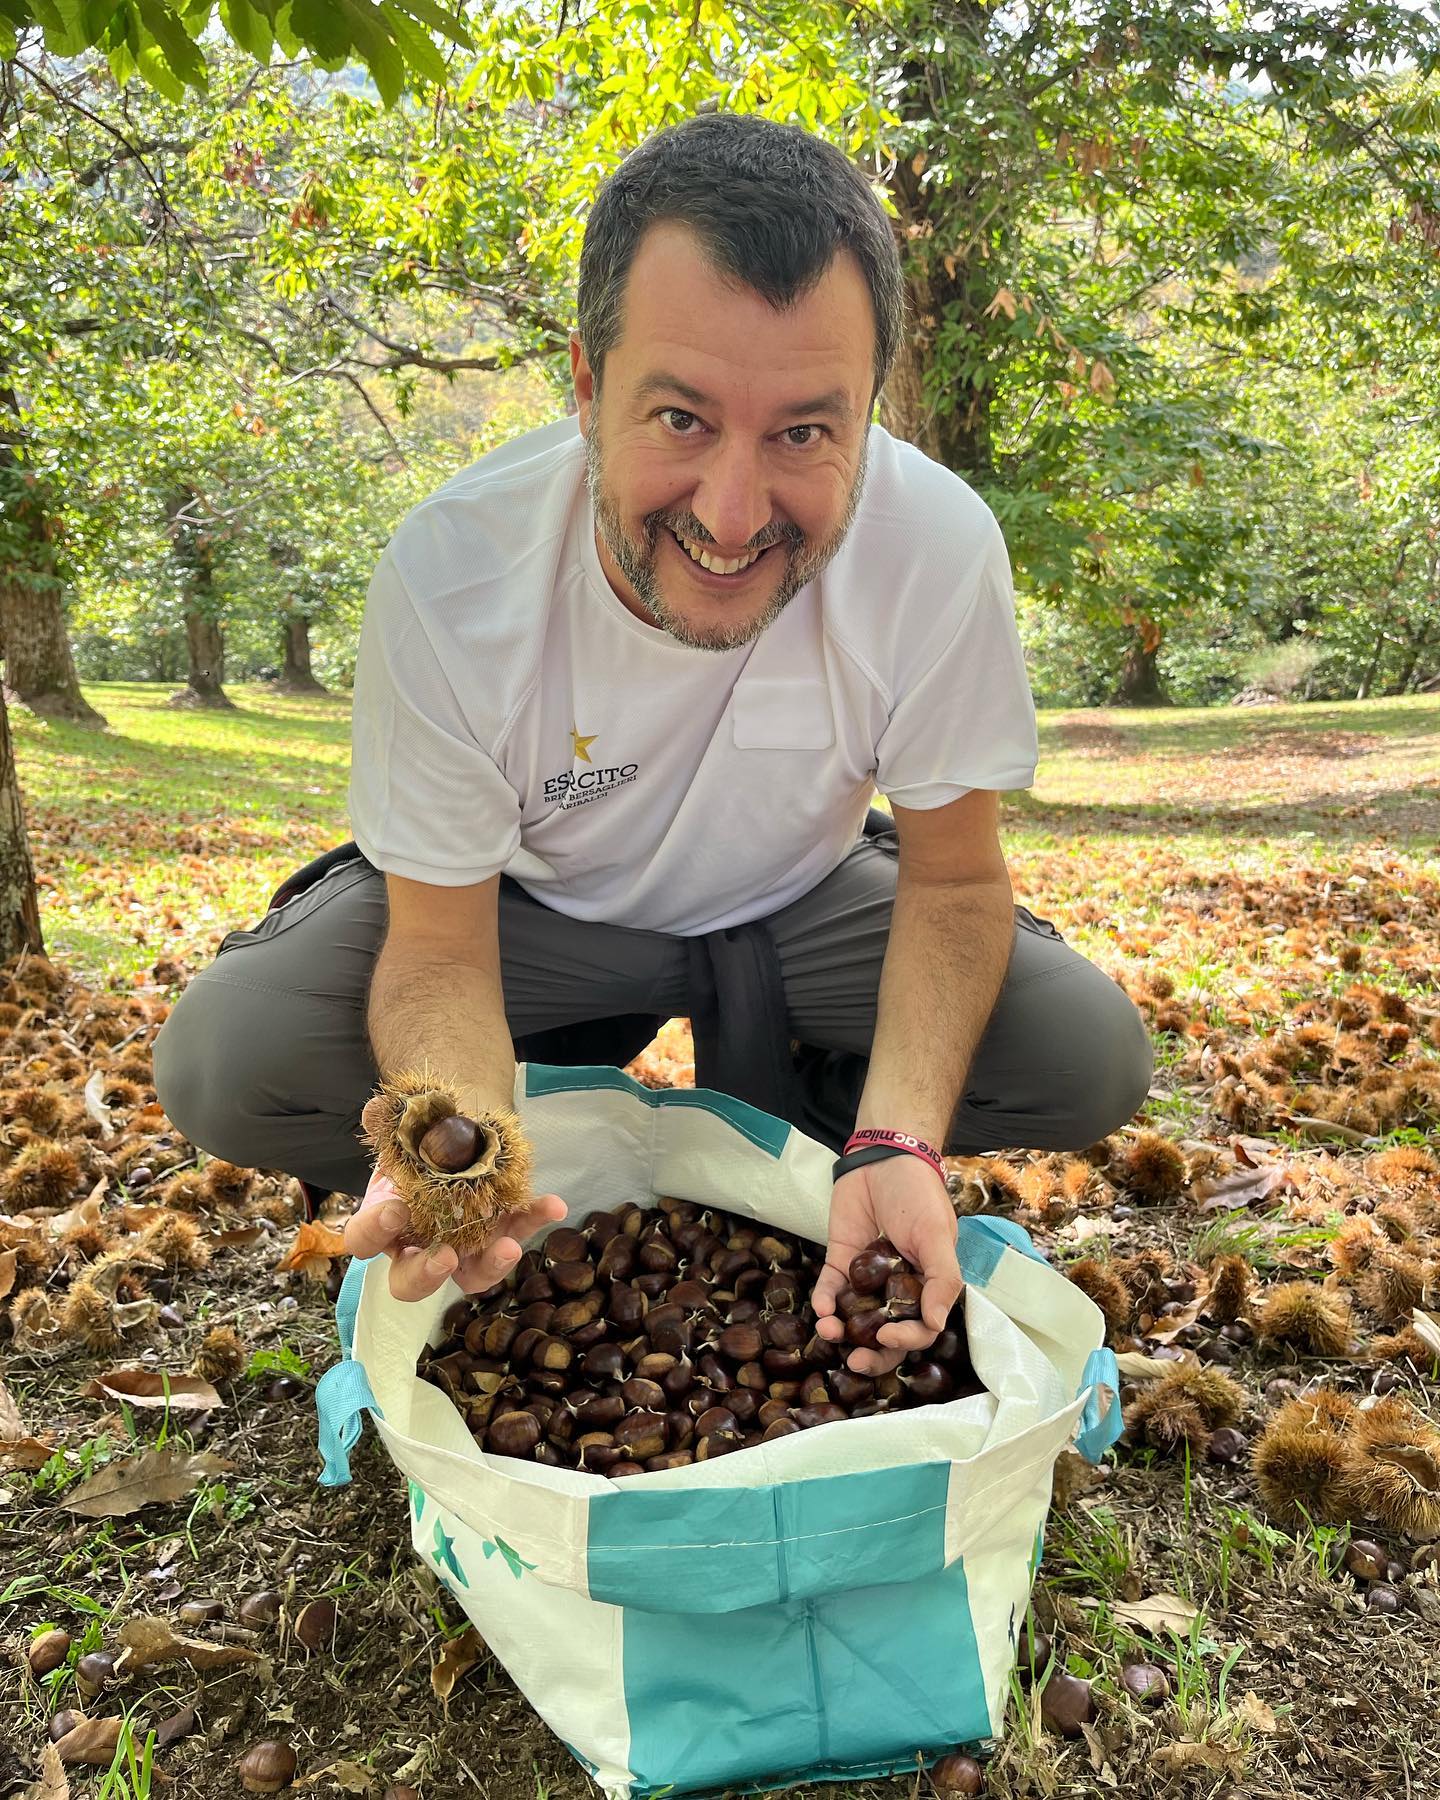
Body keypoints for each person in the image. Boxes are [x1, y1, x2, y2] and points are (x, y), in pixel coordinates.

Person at [154, 112, 1152, 1376]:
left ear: (870, 410)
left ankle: (815, 1148)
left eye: (804, 432)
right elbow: (440, 944)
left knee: (1084, 1054)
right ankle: (555, 1147)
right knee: (229, 1058)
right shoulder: (454, 571)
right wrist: (457, 1144)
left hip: (804, 898)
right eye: (681, 418)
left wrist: (900, 1136)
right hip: (533, 907)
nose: (734, 516)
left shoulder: (938, 548)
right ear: (586, 383)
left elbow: (955, 882)